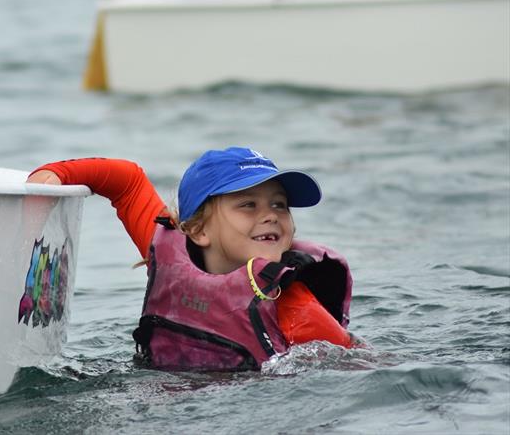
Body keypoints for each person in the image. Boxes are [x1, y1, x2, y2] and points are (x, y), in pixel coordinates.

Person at [27, 147, 358, 371]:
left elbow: (351, 365)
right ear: (199, 231)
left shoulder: (290, 302)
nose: (270, 216)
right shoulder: (171, 256)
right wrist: (54, 174)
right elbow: (126, 182)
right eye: (248, 205)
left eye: (279, 204)